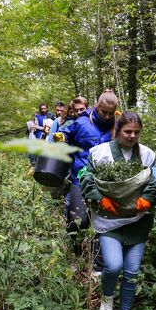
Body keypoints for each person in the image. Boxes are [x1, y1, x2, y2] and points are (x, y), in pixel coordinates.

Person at [79, 111, 156, 310]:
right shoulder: (100, 153)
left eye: (137, 132)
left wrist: (148, 197)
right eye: (128, 131)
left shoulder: (148, 155)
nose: (132, 136)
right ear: (118, 130)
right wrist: (99, 198)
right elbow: (85, 176)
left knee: (132, 271)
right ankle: (107, 297)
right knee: (114, 265)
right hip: (109, 220)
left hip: (138, 221)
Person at [53, 90, 118, 272]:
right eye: (103, 111)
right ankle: (75, 254)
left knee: (102, 222)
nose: (106, 116)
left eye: (110, 113)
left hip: (105, 181)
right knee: (77, 219)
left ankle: (97, 262)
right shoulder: (82, 122)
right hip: (79, 178)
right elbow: (66, 134)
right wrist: (61, 137)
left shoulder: (116, 126)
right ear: (97, 106)